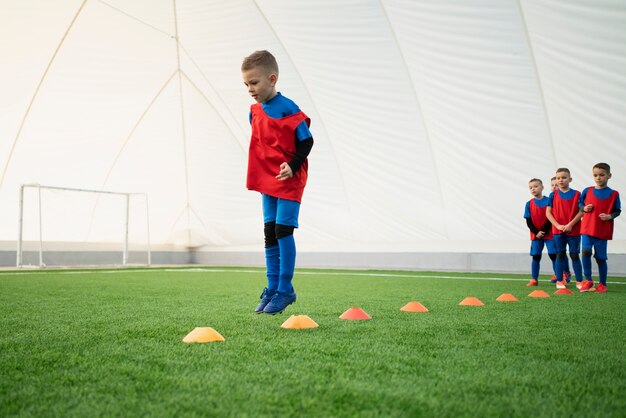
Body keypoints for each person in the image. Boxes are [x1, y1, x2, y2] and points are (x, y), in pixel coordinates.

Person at [241, 50, 314, 314]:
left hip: (289, 180)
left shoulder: (288, 108)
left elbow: (307, 141)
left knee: (283, 231)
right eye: (246, 84)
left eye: (254, 83)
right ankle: (271, 287)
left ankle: (285, 289)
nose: (250, 89)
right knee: (269, 232)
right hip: (268, 182)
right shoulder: (254, 112)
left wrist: (292, 166)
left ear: (272, 79)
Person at [579, 163, 621, 292]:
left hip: (602, 231)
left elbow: (617, 210)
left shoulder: (614, 194)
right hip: (587, 229)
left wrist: (609, 216)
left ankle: (602, 284)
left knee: (600, 258)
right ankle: (588, 280)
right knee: (585, 252)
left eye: (602, 175)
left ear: (609, 176)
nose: (598, 178)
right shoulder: (587, 190)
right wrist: (584, 208)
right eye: (595, 175)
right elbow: (580, 204)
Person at [546, 168, 584, 289]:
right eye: (558, 178)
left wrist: (570, 224)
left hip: (574, 230)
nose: (561, 180)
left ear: (570, 179)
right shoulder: (553, 195)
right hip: (558, 231)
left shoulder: (578, 194)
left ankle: (579, 281)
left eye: (564, 177)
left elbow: (581, 212)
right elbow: (548, 213)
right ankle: (559, 281)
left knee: (574, 255)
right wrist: (557, 225)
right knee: (560, 255)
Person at [524, 179, 555, 286]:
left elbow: (551, 217)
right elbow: (529, 221)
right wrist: (537, 232)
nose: (533, 189)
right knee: (536, 256)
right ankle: (534, 279)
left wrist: (544, 231)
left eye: (535, 186)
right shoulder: (529, 204)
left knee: (553, 255)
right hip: (536, 235)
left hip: (549, 234)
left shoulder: (549, 201)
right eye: (531, 187)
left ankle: (559, 277)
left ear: (542, 187)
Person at [550, 177, 572, 283]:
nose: (555, 187)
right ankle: (557, 273)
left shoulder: (565, 197)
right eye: (552, 185)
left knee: (561, 252)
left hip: (560, 229)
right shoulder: (551, 198)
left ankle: (566, 272)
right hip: (552, 230)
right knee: (555, 253)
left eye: (556, 185)